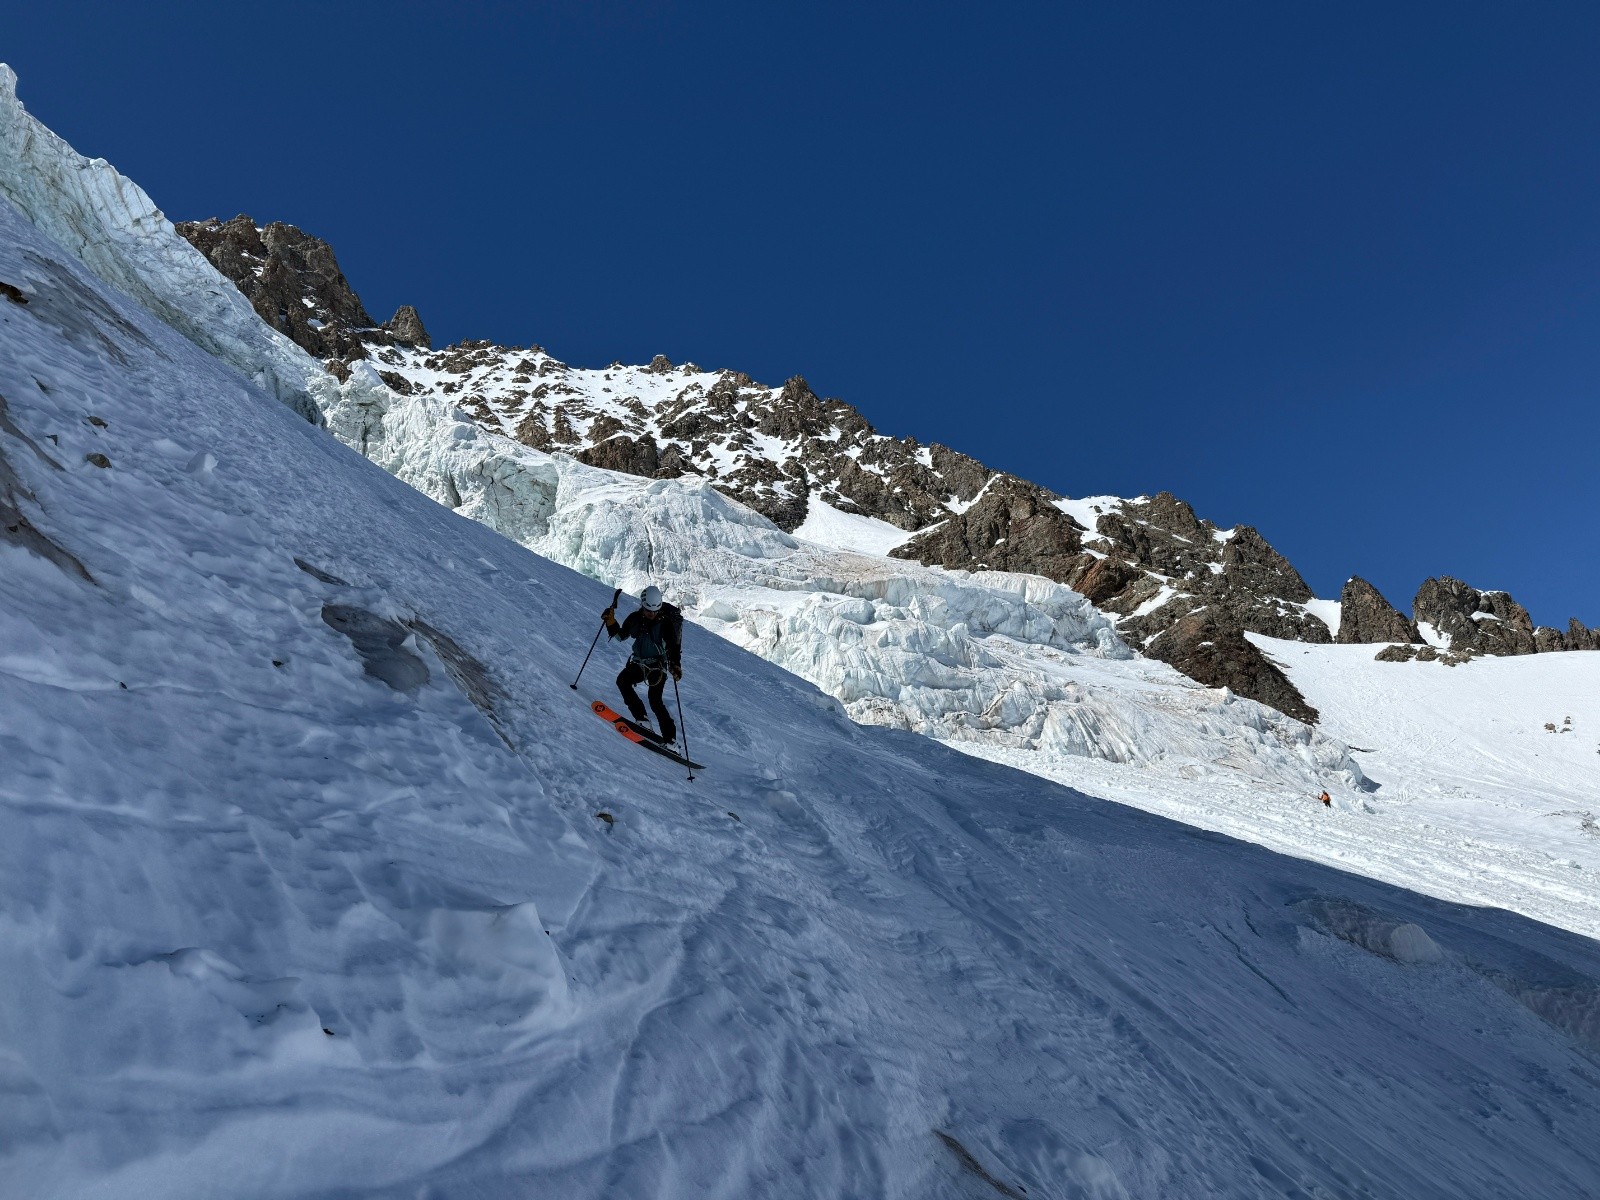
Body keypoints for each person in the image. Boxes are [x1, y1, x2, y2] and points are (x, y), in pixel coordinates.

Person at [603, 585, 683, 741]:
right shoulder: (635, 619)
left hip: (657, 668)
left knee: (655, 701)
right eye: (648, 610)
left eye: (655, 611)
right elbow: (621, 636)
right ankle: (642, 719)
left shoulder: (666, 624)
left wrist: (675, 665)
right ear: (642, 606)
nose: (651, 614)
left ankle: (671, 740)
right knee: (623, 681)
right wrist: (610, 622)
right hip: (639, 663)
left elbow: (673, 647)